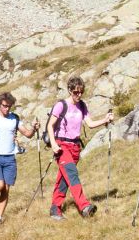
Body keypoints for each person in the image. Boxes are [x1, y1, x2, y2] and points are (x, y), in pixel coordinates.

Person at [45, 77, 112, 220]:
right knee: (72, 174)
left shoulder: (82, 105)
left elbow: (90, 123)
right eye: (76, 92)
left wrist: (105, 120)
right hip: (62, 146)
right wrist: (54, 144)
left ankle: (55, 208)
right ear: (69, 90)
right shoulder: (61, 105)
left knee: (64, 178)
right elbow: (50, 125)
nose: (79, 95)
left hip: (75, 146)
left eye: (81, 92)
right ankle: (84, 206)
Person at [0, 92, 37, 225]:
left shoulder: (15, 118)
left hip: (10, 158)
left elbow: (27, 134)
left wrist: (34, 129)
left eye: (9, 106)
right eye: (4, 106)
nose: (7, 109)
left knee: (6, 188)